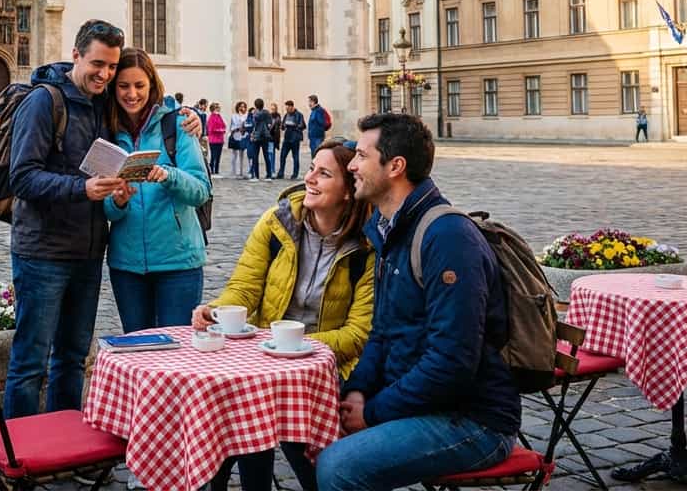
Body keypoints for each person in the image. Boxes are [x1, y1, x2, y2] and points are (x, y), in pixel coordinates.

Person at [2, 19, 200, 419]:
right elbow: (20, 176)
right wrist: (82, 190)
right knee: (29, 364)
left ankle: (62, 445)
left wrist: (187, 112)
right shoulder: (44, 102)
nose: (106, 75)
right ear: (75, 55)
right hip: (43, 252)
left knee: (73, 358)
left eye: (111, 67)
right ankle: (21, 459)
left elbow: (152, 107)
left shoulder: (102, 104)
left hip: (89, 253)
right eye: (98, 64)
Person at [315, 113, 520, 491]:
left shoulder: (447, 238)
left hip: (472, 420)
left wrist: (372, 412)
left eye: (361, 156)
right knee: (308, 427)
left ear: (395, 166)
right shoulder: (388, 230)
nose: (353, 166)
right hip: (418, 405)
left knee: (337, 467)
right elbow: (382, 332)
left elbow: (452, 362)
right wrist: (356, 391)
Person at [194, 138, 375, 490]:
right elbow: (244, 287)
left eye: (324, 174)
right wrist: (216, 310)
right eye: (311, 169)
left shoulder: (367, 248)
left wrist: (292, 346)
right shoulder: (277, 223)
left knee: (300, 444)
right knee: (239, 410)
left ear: (349, 191)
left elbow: (358, 334)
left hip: (325, 368)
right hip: (265, 358)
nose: (310, 179)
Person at [104, 48, 211, 333]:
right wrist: (118, 202)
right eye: (124, 86)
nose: (132, 94)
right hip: (127, 265)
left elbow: (201, 190)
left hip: (178, 262)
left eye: (139, 85)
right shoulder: (108, 131)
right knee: (139, 349)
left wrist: (169, 176)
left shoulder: (177, 124)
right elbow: (104, 206)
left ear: (152, 85)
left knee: (176, 351)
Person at [277, 100, 305, 179]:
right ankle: (281, 173)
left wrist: (294, 125)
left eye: (288, 108)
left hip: (295, 139)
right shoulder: (286, 115)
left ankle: (295, 174)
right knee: (282, 156)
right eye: (286, 108)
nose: (287, 110)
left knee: (295, 157)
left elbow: (303, 125)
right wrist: (282, 125)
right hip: (287, 138)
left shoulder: (299, 115)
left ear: (292, 107)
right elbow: (283, 126)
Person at [247, 98, 272, 179]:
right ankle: (269, 175)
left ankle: (256, 175)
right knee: (266, 156)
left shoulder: (255, 114)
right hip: (265, 136)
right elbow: (270, 124)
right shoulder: (267, 113)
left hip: (257, 136)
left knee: (255, 156)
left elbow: (253, 125)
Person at [228, 101, 249, 179]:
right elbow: (232, 126)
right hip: (235, 135)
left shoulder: (246, 116)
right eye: (240, 106)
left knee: (242, 154)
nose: (242, 108)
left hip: (243, 136)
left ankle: (241, 171)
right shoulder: (234, 116)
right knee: (234, 155)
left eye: (243, 106)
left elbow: (246, 125)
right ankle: (234, 171)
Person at [206, 102, 226, 177]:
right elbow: (211, 129)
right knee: (213, 156)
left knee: (218, 156)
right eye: (217, 107)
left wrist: (222, 130)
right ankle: (212, 170)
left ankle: (217, 171)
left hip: (220, 139)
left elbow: (224, 125)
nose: (219, 109)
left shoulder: (219, 116)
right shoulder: (211, 117)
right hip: (213, 140)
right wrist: (220, 130)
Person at [267, 102, 283, 177]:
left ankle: (272, 170)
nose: (273, 110)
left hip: (274, 138)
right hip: (269, 138)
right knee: (270, 154)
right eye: (272, 108)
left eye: (274, 108)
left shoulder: (278, 116)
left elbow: (280, 125)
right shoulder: (268, 116)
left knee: (272, 155)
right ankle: (270, 170)